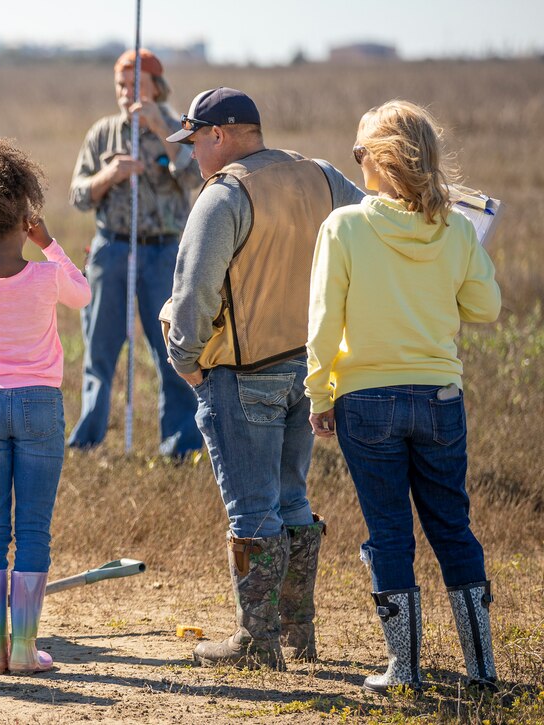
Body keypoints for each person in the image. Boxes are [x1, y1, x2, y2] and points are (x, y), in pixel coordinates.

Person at [163, 88, 364, 669]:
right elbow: (373, 224)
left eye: (196, 140)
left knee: (252, 511)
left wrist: (185, 360)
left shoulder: (223, 194)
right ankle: (300, 636)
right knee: (293, 497)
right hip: (310, 365)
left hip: (241, 371)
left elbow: (195, 290)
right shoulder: (323, 177)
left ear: (220, 136)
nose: (193, 153)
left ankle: (255, 643)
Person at [306, 100, 501, 692]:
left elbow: (323, 321)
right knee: (453, 528)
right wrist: (464, 252)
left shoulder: (344, 227)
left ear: (380, 161)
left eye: (360, 152)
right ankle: (483, 667)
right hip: (441, 396)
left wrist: (319, 393)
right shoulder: (459, 227)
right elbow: (485, 308)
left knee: (388, 532)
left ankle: (404, 666)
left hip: (364, 400)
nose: (356, 161)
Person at [0, 139, 91, 674]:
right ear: (26, 219)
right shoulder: (48, 274)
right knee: (32, 529)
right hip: (39, 405)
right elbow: (83, 295)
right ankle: (27, 648)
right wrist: (49, 243)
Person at [67, 48, 203, 458]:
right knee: (99, 349)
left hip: (163, 253)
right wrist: (110, 175)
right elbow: (78, 196)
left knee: (172, 351)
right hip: (111, 250)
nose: (127, 94)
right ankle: (87, 441)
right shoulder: (103, 133)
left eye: (136, 86)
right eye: (121, 86)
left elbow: (196, 175)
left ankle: (180, 445)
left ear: (156, 88)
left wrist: (160, 127)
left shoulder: (180, 128)